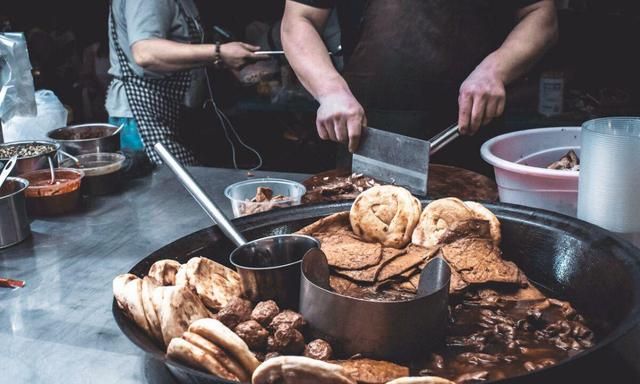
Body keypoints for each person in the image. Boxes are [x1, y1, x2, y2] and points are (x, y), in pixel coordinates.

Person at [281, 0, 559, 171]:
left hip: (468, 130)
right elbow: (298, 20)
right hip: (368, 136)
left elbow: (541, 14)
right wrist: (330, 91)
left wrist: (495, 69)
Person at [106, 0, 265, 165]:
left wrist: (223, 61)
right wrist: (219, 52)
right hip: (140, 113)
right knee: (165, 188)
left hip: (172, 112)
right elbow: (145, 53)